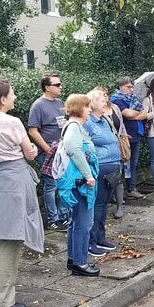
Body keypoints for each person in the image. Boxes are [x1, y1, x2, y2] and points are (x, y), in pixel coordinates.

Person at [0, 79, 44, 307]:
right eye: (12, 94)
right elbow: (30, 152)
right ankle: (1, 300)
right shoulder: (12, 122)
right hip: (11, 179)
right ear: (2, 99)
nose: (14, 97)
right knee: (12, 237)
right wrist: (33, 150)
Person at [60, 94, 100, 276]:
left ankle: (73, 258)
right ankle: (81, 263)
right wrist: (89, 175)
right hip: (81, 183)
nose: (90, 110)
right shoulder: (75, 127)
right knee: (84, 223)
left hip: (77, 182)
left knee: (75, 222)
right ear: (78, 108)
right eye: (87, 106)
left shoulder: (73, 126)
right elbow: (74, 149)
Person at [28, 73, 70, 231]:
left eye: (60, 84)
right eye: (57, 85)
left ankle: (63, 215)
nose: (60, 87)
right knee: (51, 185)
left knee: (63, 182)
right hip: (48, 151)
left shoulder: (60, 103)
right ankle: (53, 220)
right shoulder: (38, 105)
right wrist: (47, 149)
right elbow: (33, 131)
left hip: (62, 150)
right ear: (47, 87)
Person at [84, 88, 121, 257]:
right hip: (99, 169)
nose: (104, 101)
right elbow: (85, 146)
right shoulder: (88, 122)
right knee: (96, 206)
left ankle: (100, 237)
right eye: (100, 100)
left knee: (104, 205)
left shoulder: (104, 120)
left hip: (112, 169)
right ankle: (90, 242)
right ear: (91, 104)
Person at [110, 76, 150, 199]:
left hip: (136, 134)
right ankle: (117, 193)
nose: (131, 89)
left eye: (132, 86)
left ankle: (131, 188)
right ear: (121, 87)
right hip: (124, 137)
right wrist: (136, 114)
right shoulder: (116, 100)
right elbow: (127, 114)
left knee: (133, 163)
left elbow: (145, 113)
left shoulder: (133, 99)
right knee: (122, 164)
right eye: (129, 87)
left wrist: (135, 115)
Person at [96, 85, 127, 219]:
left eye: (106, 94)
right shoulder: (95, 113)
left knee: (118, 176)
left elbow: (121, 125)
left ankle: (120, 206)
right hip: (104, 153)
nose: (105, 97)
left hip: (118, 145)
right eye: (102, 95)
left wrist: (125, 140)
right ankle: (104, 203)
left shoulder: (114, 108)